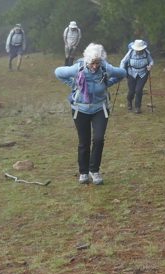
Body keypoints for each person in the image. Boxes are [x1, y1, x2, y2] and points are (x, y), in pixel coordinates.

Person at [54, 43, 126, 185]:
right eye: (93, 63)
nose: (95, 66)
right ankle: (83, 172)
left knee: (98, 139)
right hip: (80, 109)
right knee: (84, 142)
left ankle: (95, 171)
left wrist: (108, 83)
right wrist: (73, 84)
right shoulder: (78, 68)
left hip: (100, 108)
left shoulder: (105, 67)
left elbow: (122, 73)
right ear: (87, 61)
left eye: (97, 63)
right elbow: (58, 72)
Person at [119, 39, 154, 113]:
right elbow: (123, 61)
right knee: (131, 91)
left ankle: (138, 107)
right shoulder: (130, 52)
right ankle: (129, 100)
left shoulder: (146, 53)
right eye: (137, 50)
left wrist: (150, 66)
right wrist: (121, 71)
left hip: (143, 74)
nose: (138, 51)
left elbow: (151, 61)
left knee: (138, 90)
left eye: (140, 50)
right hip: (131, 73)